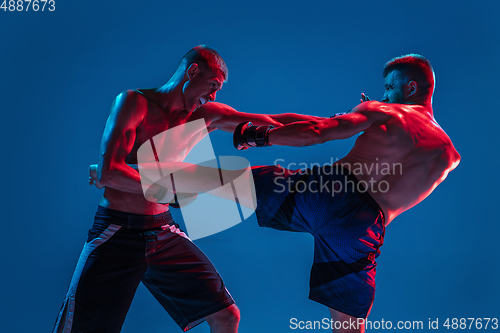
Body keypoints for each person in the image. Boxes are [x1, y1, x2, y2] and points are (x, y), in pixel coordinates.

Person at [123, 54, 460, 333]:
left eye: (390, 88)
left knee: (236, 180)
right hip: (364, 228)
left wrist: (258, 136)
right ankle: (169, 185)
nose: (385, 95)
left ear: (410, 86)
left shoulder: (384, 112)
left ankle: (141, 179)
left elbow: (316, 133)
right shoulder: (448, 155)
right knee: (349, 327)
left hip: (328, 194)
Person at [54, 45, 319, 333]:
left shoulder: (206, 115)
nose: (214, 96)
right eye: (213, 85)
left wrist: (346, 122)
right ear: (192, 72)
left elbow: (274, 123)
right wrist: (171, 189)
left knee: (226, 315)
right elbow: (108, 174)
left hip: (161, 231)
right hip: (116, 232)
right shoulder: (134, 103)